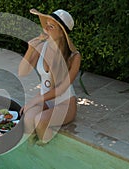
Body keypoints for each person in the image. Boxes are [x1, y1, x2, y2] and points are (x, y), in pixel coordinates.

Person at [18, 9, 81, 145]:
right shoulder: (42, 47)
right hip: (46, 99)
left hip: (65, 103)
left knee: (40, 120)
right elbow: (22, 72)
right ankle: (32, 154)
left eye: (51, 26)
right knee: (27, 119)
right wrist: (30, 49)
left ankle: (46, 150)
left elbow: (62, 89)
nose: (45, 29)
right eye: (46, 24)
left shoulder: (74, 57)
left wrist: (35, 100)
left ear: (62, 33)